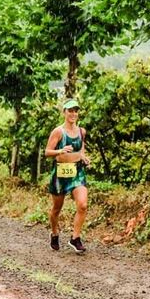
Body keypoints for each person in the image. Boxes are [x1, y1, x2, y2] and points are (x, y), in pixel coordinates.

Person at [45, 99, 90, 253]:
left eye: (76, 111)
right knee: (57, 208)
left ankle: (75, 238)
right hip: (60, 173)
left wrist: (84, 158)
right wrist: (60, 151)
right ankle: (54, 233)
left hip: (77, 172)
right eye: (70, 111)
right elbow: (47, 152)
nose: (73, 114)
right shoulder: (58, 132)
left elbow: (81, 149)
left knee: (83, 205)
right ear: (64, 112)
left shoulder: (81, 132)